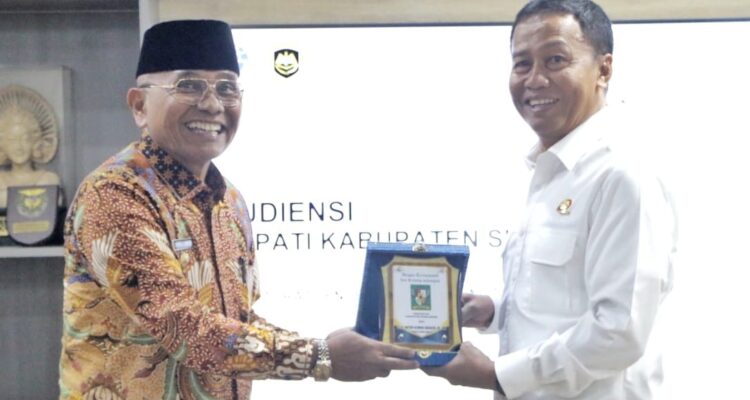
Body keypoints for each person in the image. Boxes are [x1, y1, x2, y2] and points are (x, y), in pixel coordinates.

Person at [58, 19, 418, 399]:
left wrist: (326, 347)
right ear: (139, 105)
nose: (213, 104)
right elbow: (184, 327)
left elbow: (236, 322)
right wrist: (320, 356)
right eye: (189, 85)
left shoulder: (228, 201)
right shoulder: (115, 195)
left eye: (227, 88)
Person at [423, 1, 677, 399]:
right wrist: (495, 311)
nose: (535, 80)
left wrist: (497, 374)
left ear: (604, 70)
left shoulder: (622, 174)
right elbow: (562, 303)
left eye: (555, 60)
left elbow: (618, 331)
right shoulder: (551, 173)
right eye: (522, 64)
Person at [0, 103, 61, 209]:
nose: (19, 146)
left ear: (35, 142)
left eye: (25, 139)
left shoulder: (48, 180)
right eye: (12, 140)